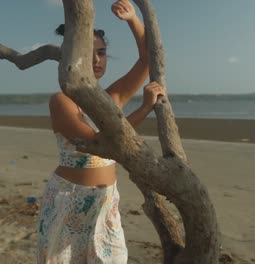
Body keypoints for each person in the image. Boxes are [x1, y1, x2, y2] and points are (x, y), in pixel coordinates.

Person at [37, 0, 165, 263]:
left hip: (106, 201)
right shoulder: (61, 102)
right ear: (69, 55)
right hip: (69, 200)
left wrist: (133, 19)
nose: (96, 59)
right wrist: (143, 109)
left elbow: (146, 60)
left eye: (102, 52)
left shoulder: (112, 97)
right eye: (87, 51)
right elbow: (102, 141)